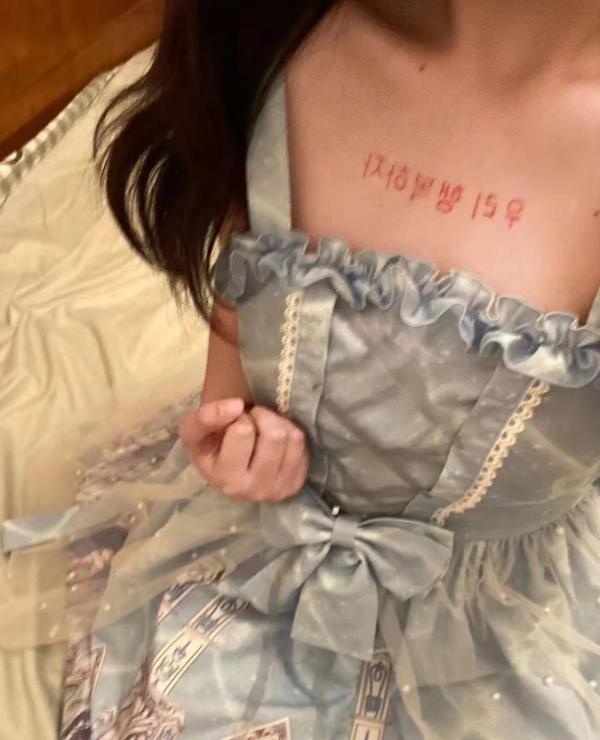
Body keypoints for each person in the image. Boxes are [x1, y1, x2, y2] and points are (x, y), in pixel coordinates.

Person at [2, 1, 600, 738]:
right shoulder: (273, 38)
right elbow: (240, 282)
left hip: (515, 627)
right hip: (267, 549)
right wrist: (235, 433)